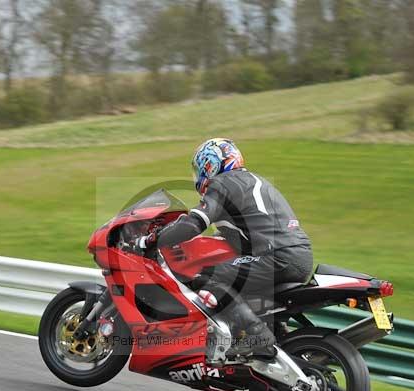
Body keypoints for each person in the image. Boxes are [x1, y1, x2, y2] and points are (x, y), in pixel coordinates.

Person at [133, 138, 313, 361]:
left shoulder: (224, 183)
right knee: (235, 276)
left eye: (199, 169)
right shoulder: (255, 180)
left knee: (209, 274)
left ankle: (258, 336)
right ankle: (270, 334)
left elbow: (193, 224)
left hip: (276, 257)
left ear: (210, 164)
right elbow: (250, 227)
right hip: (299, 256)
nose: (198, 175)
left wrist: (153, 239)